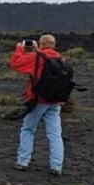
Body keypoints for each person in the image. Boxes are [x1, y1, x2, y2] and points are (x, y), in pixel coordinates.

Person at [10, 34, 66, 175]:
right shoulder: (60, 59)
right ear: (54, 44)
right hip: (55, 101)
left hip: (38, 100)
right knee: (55, 134)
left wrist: (20, 49)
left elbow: (16, 64)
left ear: (41, 44)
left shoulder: (37, 57)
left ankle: (23, 161)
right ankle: (56, 166)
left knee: (28, 130)